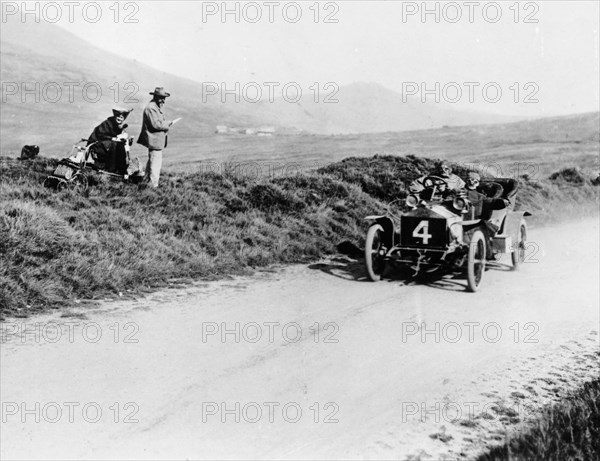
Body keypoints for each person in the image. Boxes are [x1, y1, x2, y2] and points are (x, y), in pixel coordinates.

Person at [137, 87, 174, 188]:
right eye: (161, 98)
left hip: (155, 141)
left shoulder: (154, 107)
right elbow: (156, 125)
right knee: (155, 164)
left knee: (152, 161)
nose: (163, 100)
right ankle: (153, 186)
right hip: (154, 141)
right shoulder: (151, 108)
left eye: (164, 98)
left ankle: (146, 182)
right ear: (155, 97)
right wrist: (168, 124)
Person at [87, 108, 133, 174]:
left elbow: (120, 137)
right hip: (96, 144)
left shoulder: (119, 126)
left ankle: (120, 170)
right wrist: (112, 138)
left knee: (120, 145)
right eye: (118, 116)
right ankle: (111, 169)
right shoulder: (107, 123)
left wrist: (128, 140)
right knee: (114, 144)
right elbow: (100, 135)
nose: (120, 118)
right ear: (115, 116)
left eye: (122, 117)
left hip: (106, 144)